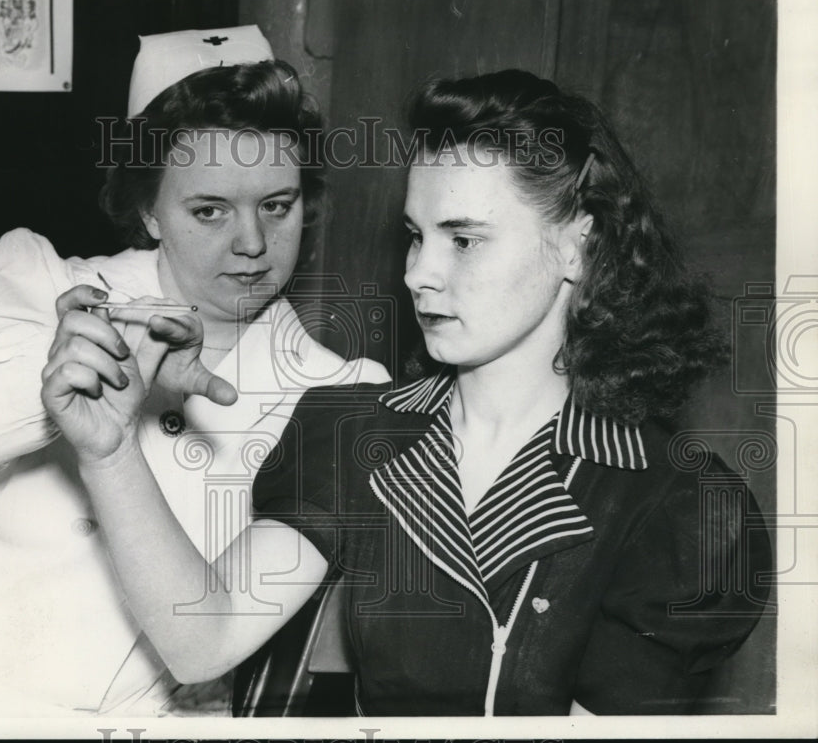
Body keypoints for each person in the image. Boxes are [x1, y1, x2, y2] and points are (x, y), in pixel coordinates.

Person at [40, 69, 772, 715]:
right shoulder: (358, 429)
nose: (418, 273)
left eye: (464, 238)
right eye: (415, 235)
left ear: (576, 243)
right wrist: (109, 454)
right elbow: (202, 639)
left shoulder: (673, 504)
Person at [0, 25, 389, 718]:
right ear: (148, 210)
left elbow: (220, 630)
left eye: (276, 206)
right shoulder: (43, 279)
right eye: (210, 209)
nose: (252, 244)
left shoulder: (338, 390)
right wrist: (68, 370)